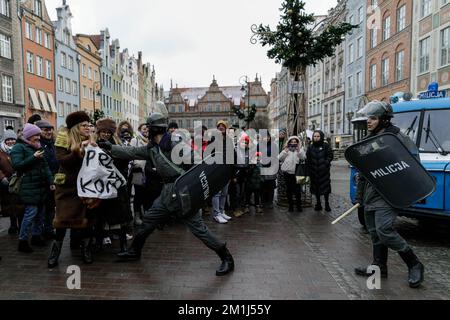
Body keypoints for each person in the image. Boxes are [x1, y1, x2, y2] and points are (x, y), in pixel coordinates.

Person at [98, 112, 235, 276]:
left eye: (148, 128)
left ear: (154, 128)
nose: (146, 131)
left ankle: (226, 257)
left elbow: (198, 162)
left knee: (199, 229)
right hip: (167, 194)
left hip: (183, 192)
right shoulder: (152, 148)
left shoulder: (175, 143)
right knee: (148, 220)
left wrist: (192, 185)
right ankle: (135, 251)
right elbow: (132, 151)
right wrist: (111, 147)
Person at [354, 101, 425, 288]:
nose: (368, 121)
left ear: (384, 119)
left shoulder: (396, 137)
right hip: (370, 192)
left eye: (373, 118)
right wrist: (360, 197)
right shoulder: (370, 137)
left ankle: (414, 263)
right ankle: (379, 267)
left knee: (384, 229)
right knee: (374, 232)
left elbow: (412, 161)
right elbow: (364, 169)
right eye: (368, 118)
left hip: (388, 192)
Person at [47, 111, 97, 268]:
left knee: (86, 221)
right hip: (67, 186)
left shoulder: (91, 139)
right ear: (76, 127)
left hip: (85, 186)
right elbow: (63, 161)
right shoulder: (64, 137)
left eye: (88, 125)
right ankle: (55, 253)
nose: (87, 127)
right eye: (84, 125)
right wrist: (77, 150)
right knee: (62, 222)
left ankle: (86, 251)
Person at [10, 124, 54, 253]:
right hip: (28, 186)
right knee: (30, 214)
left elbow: (45, 166)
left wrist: (51, 181)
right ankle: (22, 241)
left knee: (40, 214)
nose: (38, 137)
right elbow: (17, 165)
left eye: (38, 135)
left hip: (40, 186)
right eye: (35, 135)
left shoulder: (38, 146)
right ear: (28, 135)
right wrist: (33, 157)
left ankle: (36, 236)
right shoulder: (18, 147)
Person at [94, 118, 133, 254]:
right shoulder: (93, 145)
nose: (105, 134)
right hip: (100, 186)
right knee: (100, 216)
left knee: (120, 217)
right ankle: (98, 243)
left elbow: (124, 162)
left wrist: (112, 154)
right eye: (103, 131)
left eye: (108, 132)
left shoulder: (116, 145)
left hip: (115, 185)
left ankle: (123, 245)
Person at [36, 120, 58, 239]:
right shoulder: (37, 144)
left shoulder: (53, 143)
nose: (49, 132)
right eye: (45, 130)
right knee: (42, 209)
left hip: (54, 180)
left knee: (51, 207)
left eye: (50, 129)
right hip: (42, 181)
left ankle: (49, 229)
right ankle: (39, 232)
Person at [0, 130, 23, 235]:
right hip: (6, 183)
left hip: (19, 181)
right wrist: (2, 177)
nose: (10, 141)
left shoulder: (19, 149)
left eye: (12, 139)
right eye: (8, 139)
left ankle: (21, 225)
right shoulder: (1, 152)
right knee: (10, 206)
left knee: (20, 204)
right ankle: (13, 225)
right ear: (5, 141)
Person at [211, 120, 233, 224]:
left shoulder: (229, 139)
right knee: (217, 192)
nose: (221, 127)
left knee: (224, 192)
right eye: (219, 126)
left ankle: (221, 211)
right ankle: (216, 214)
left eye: (223, 126)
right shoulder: (213, 138)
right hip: (217, 168)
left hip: (226, 168)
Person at [306, 130, 334, 212]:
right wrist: (310, 167)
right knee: (316, 188)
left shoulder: (326, 145)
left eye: (318, 136)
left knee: (326, 188)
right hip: (314, 172)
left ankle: (327, 204)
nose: (316, 138)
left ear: (321, 137)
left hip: (324, 172)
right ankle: (318, 204)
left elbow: (330, 155)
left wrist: (326, 163)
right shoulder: (310, 147)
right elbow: (308, 158)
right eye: (315, 136)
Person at [278, 136, 306, 213]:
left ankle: (299, 206)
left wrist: (299, 150)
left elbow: (303, 157)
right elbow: (279, 158)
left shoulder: (300, 149)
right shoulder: (286, 150)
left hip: (297, 173)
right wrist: (285, 152)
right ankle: (291, 206)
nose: (293, 143)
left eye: (295, 142)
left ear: (297, 143)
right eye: (292, 141)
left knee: (298, 190)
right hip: (288, 173)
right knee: (289, 190)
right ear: (289, 142)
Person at [130, 124, 150, 226]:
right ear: (139, 130)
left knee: (146, 193)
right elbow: (132, 154)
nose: (146, 130)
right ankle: (137, 216)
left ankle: (145, 214)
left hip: (149, 171)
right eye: (144, 128)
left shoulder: (151, 141)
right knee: (138, 193)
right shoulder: (135, 140)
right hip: (138, 170)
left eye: (147, 128)